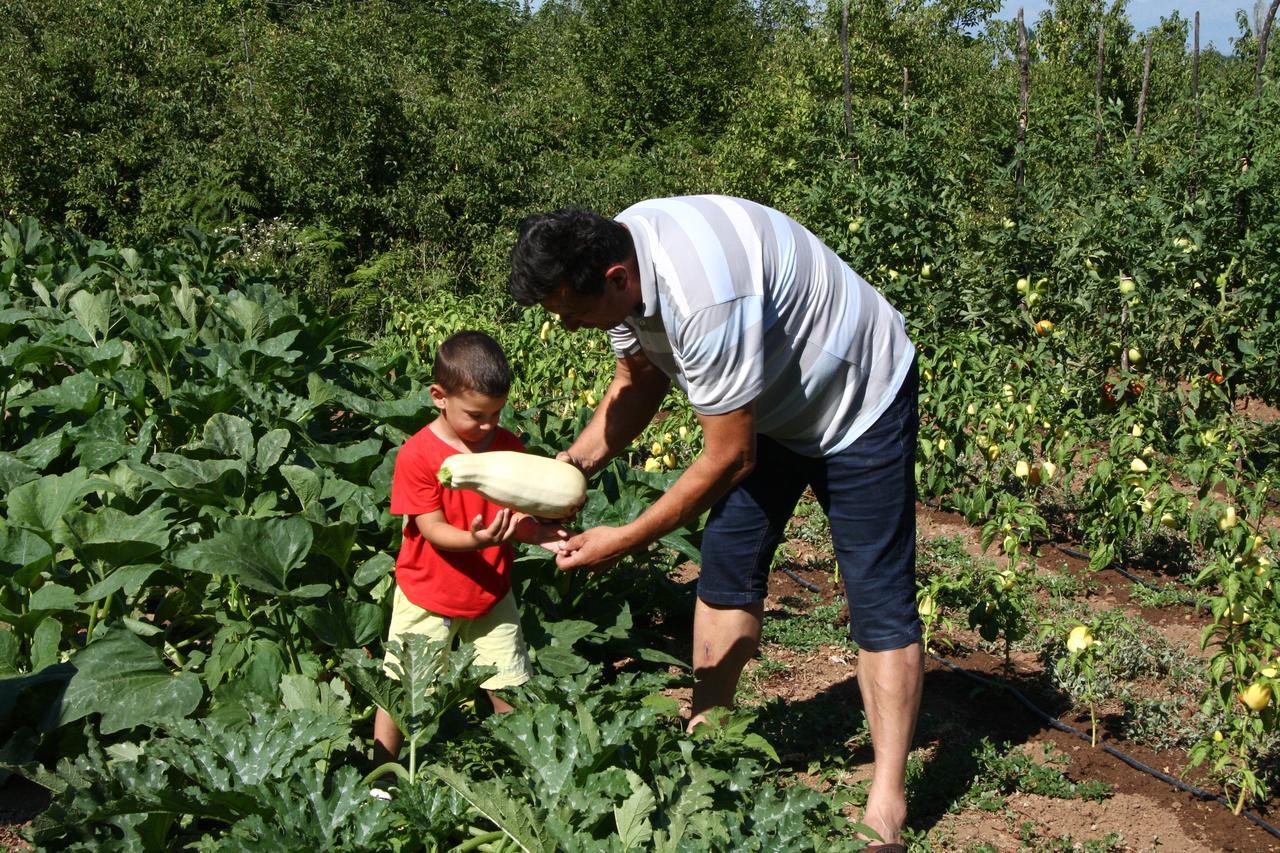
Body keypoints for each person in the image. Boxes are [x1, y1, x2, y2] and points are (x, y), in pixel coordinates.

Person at [507, 196, 921, 850]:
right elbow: (637, 380)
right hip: (772, 402)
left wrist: (626, 537)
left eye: (574, 314)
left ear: (616, 279)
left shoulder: (702, 298)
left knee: (877, 592)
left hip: (856, 397)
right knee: (727, 561)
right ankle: (709, 746)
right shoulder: (623, 253)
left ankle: (886, 803)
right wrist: (572, 467)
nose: (570, 328)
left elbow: (729, 456)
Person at [372, 330, 570, 772]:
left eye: (497, 414)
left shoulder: (508, 448)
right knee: (403, 687)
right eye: (477, 415)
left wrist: (537, 533)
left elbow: (516, 516)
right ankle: (380, 771)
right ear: (439, 397)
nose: (488, 425)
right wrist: (478, 540)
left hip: (491, 593)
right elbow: (433, 530)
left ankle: (523, 767)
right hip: (427, 594)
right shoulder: (418, 456)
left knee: (510, 682)